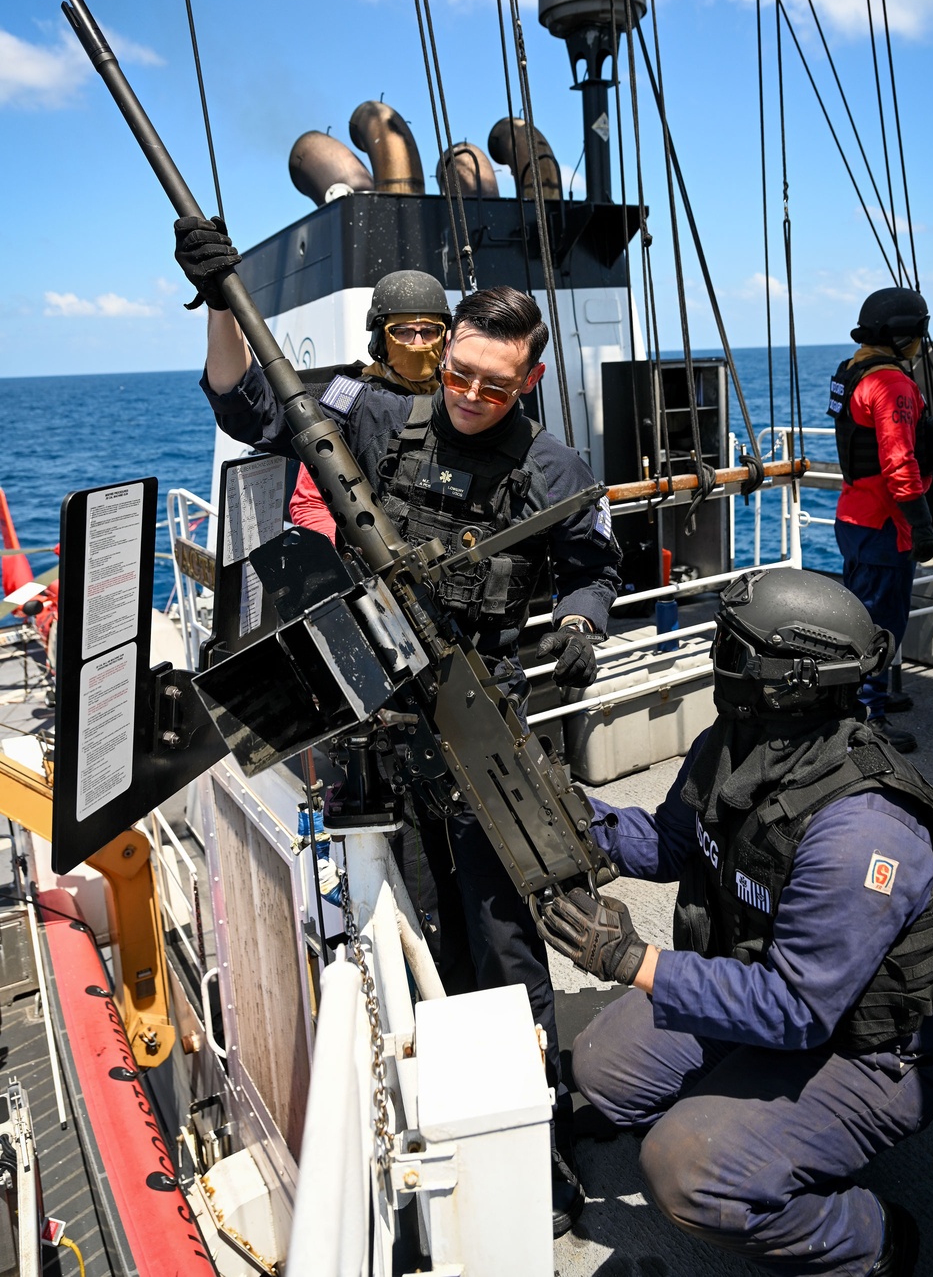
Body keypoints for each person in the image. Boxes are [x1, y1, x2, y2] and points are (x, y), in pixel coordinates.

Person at [174, 216, 622, 1235]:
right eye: (457, 371)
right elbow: (248, 409)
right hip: (375, 730)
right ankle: (438, 1135)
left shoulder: (548, 469)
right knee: (403, 936)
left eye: (493, 387)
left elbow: (595, 562)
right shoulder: (375, 417)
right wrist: (218, 299)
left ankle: (535, 1145)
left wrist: (583, 625)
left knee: (504, 949)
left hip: (485, 736)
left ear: (532, 381)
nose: (466, 395)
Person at [537, 566, 933, 1277]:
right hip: (769, 990)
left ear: (791, 678)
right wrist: (581, 822)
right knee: (603, 1068)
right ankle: (750, 1124)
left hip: (867, 1047)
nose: (718, 661)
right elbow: (676, 841)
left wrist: (631, 960)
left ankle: (873, 1240)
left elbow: (798, 1008)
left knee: (685, 1169)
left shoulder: (864, 825)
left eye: (734, 650)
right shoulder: (738, 743)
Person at [827, 288, 933, 753]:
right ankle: (865, 718)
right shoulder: (892, 384)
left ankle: (868, 699)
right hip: (884, 525)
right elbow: (899, 463)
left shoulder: (851, 371)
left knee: (861, 616)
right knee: (879, 624)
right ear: (901, 335)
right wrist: (922, 525)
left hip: (852, 518)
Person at [288, 268, 451, 540]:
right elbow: (310, 504)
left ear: (445, 337)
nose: (419, 344)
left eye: (429, 332)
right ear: (380, 340)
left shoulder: (456, 400)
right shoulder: (350, 405)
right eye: (404, 333)